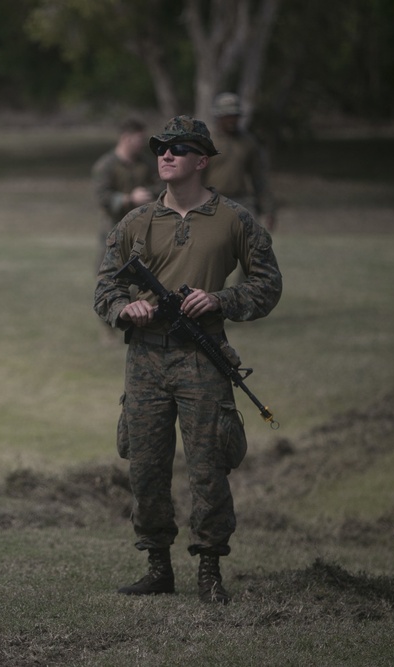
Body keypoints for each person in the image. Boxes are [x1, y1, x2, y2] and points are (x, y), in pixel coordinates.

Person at [94, 116, 282, 604]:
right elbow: (105, 289)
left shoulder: (235, 220)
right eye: (160, 147)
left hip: (203, 357)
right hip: (146, 360)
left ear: (202, 159)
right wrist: (124, 308)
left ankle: (210, 571)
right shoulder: (134, 223)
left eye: (179, 147)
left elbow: (268, 285)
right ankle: (158, 567)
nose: (166, 154)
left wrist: (221, 300)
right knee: (147, 468)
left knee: (207, 468)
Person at [91, 116, 160, 343]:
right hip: (113, 232)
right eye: (139, 139)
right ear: (126, 138)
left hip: (141, 232)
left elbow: (161, 184)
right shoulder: (106, 165)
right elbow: (102, 197)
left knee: (142, 279)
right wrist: (129, 199)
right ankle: (107, 328)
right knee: (109, 279)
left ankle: (136, 324)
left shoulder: (146, 164)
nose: (142, 144)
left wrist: (149, 192)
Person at [204, 93, 276, 232]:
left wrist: (268, 209)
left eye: (235, 115)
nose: (232, 120)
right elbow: (192, 175)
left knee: (251, 239)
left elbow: (259, 178)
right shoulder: (206, 141)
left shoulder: (248, 143)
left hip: (240, 199)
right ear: (219, 117)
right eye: (227, 116)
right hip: (210, 199)